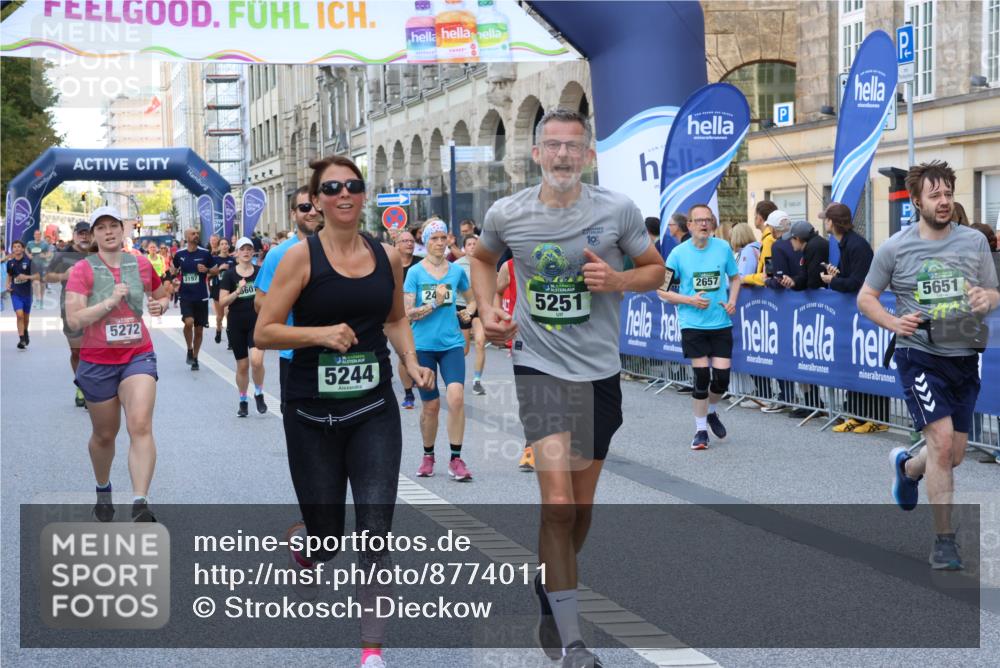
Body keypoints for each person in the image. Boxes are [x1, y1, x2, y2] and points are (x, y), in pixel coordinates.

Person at [470, 107, 664, 667]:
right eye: (551, 146)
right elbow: (482, 259)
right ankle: (574, 640)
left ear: (588, 155)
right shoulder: (509, 213)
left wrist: (619, 278)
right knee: (555, 503)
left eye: (572, 147)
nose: (561, 156)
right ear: (535, 154)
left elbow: (656, 270)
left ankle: (548, 584)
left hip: (599, 372)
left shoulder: (617, 210)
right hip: (540, 367)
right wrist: (487, 309)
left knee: (579, 509)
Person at [254, 155, 433, 668]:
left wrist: (412, 362)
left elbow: (396, 318)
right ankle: (306, 544)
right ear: (317, 199)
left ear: (363, 193)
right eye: (331, 188)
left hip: (373, 408)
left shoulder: (386, 255)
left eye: (352, 185)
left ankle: (371, 653)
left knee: (375, 533)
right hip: (311, 413)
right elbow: (265, 330)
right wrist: (319, 335)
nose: (343, 194)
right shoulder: (299, 258)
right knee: (329, 538)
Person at [858, 161, 999, 570]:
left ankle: (907, 467)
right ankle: (944, 541)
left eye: (948, 193)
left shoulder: (973, 242)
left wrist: (986, 301)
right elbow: (866, 297)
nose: (943, 201)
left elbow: (993, 291)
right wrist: (891, 320)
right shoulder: (895, 248)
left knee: (952, 455)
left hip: (965, 357)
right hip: (919, 355)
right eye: (934, 195)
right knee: (939, 443)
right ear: (916, 200)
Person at [64, 207, 171, 523]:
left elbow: (162, 294)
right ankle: (103, 488)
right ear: (94, 235)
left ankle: (140, 502)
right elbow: (74, 318)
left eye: (114, 225)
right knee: (104, 436)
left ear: (123, 230)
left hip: (138, 354)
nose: (109, 231)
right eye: (102, 227)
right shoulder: (83, 270)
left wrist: (159, 305)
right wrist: (109, 302)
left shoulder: (139, 263)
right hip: (97, 361)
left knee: (139, 424)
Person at [659, 204, 740, 450]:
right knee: (702, 376)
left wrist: (733, 301)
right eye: (699, 220)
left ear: (712, 223)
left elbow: (736, 278)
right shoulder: (678, 254)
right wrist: (690, 300)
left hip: (720, 322)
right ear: (690, 225)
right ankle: (700, 431)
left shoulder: (723, 248)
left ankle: (711, 411)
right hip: (692, 323)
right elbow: (661, 291)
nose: (704, 224)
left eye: (708, 220)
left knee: (722, 379)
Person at [404, 219, 477, 481]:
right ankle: (428, 455)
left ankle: (456, 459)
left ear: (448, 240)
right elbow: (408, 313)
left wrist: (466, 315)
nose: (438, 243)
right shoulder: (415, 272)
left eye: (442, 238)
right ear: (426, 241)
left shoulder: (456, 272)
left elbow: (472, 301)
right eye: (433, 238)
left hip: (451, 344)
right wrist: (434, 304)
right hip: (423, 346)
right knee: (431, 406)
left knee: (456, 397)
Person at [816, 203, 887, 434]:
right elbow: (851, 278)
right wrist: (837, 275)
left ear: (833, 222)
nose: (824, 223)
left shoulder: (857, 245)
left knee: (869, 366)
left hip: (867, 314)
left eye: (826, 219)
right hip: (857, 314)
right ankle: (857, 414)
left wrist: (832, 281)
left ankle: (877, 418)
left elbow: (858, 283)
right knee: (857, 364)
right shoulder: (845, 243)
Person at [254, 186, 324, 412]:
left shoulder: (341, 249)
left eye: (316, 207)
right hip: (295, 353)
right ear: (293, 214)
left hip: (336, 353)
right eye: (305, 207)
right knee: (297, 423)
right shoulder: (278, 254)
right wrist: (291, 301)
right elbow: (259, 303)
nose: (312, 212)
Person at [45, 221, 93, 406]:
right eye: (80, 233)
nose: (84, 236)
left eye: (87, 233)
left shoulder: (96, 253)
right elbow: (46, 276)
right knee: (76, 351)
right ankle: (80, 385)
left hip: (95, 306)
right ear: (74, 235)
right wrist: (64, 276)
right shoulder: (63, 255)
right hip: (70, 307)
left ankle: (92, 389)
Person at [220, 237, 267, 417]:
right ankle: (243, 400)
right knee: (242, 366)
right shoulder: (230, 275)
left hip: (257, 322)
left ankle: (259, 392)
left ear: (253, 252)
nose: (246, 252)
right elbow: (223, 301)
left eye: (249, 249)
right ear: (237, 253)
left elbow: (268, 294)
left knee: (257, 361)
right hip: (236, 323)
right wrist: (237, 291)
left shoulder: (260, 272)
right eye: (243, 249)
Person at [170, 228, 221, 371]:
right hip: (185, 295)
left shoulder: (205, 253)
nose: (196, 235)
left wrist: (207, 270)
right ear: (186, 237)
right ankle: (189, 348)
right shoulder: (180, 254)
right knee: (189, 322)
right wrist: (173, 277)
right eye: (193, 234)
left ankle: (195, 357)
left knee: (199, 330)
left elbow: (216, 270)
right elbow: (174, 270)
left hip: (201, 296)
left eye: (198, 233)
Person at [454, 234, 488, 396]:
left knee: (480, 342)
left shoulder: (486, 263)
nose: (473, 246)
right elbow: (450, 288)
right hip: (463, 307)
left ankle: (477, 381)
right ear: (464, 248)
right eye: (469, 244)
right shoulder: (457, 266)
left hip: (480, 307)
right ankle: (455, 379)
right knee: (464, 349)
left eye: (476, 243)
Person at [393, 229, 420, 409]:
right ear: (396, 244)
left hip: (421, 315)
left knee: (417, 355)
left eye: (411, 241)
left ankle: (416, 375)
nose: (409, 244)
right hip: (398, 316)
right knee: (404, 356)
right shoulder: (389, 264)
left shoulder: (421, 264)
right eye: (404, 241)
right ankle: (409, 393)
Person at [6, 240, 38, 349]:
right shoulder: (10, 263)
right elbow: (9, 276)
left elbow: (37, 276)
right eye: (14, 247)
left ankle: (25, 331)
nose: (16, 248)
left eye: (19, 246)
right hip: (16, 293)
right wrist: (7, 285)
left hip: (27, 293)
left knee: (26, 318)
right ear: (12, 249)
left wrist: (27, 277)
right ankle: (22, 339)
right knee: (19, 315)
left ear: (23, 249)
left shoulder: (29, 261)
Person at [788, 220, 829, 291]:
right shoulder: (814, 244)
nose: (790, 242)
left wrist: (797, 283)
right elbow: (805, 277)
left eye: (790, 239)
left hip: (822, 297)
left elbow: (814, 282)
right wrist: (793, 282)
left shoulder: (813, 247)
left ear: (797, 238)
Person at [210, 238, 236, 344]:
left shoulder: (232, 260)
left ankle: (231, 340)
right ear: (219, 247)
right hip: (217, 290)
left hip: (229, 290)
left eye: (226, 244)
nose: (224, 246)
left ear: (228, 246)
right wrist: (220, 269)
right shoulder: (214, 260)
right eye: (222, 244)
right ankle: (218, 330)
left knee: (228, 314)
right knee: (220, 317)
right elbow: (208, 274)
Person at [26, 229, 52, 308]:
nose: (37, 236)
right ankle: (37, 300)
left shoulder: (45, 244)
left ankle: (41, 300)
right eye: (36, 234)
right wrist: (29, 255)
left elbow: (49, 253)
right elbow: (26, 250)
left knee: (42, 284)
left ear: (41, 235)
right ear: (34, 235)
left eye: (39, 234)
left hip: (43, 266)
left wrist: (45, 256)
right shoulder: (30, 243)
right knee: (35, 283)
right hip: (34, 265)